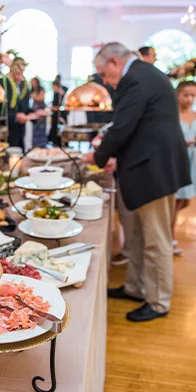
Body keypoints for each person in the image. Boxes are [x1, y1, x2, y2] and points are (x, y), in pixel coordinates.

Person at [83, 42, 190, 322]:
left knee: (156, 240)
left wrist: (96, 156)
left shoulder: (137, 79)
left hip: (154, 171)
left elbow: (122, 128)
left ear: (115, 62)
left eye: (103, 74)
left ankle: (157, 302)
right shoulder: (144, 74)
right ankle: (135, 287)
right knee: (140, 237)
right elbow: (141, 128)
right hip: (150, 167)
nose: (104, 81)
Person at [172, 81, 196, 254]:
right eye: (186, 95)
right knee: (175, 200)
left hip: (192, 160)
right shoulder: (172, 116)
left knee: (185, 200)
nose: (189, 99)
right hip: (176, 160)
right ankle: (170, 236)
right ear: (178, 94)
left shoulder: (194, 115)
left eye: (193, 95)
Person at [0, 57, 30, 150]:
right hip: (5, 133)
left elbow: (25, 108)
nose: (20, 77)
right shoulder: (2, 83)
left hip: (20, 133)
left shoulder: (24, 86)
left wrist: (37, 113)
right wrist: (14, 116)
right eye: (17, 73)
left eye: (22, 73)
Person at [49, 79, 68, 146]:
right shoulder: (55, 94)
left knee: (61, 129)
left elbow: (63, 105)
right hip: (55, 115)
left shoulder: (63, 92)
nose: (53, 89)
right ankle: (55, 142)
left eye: (53, 87)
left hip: (61, 115)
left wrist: (55, 108)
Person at [30, 77, 47, 147]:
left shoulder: (41, 89)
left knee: (41, 130)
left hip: (41, 113)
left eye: (34, 82)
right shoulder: (32, 90)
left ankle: (42, 145)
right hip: (34, 113)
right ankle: (35, 146)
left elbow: (41, 98)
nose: (33, 84)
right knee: (34, 130)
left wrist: (33, 96)